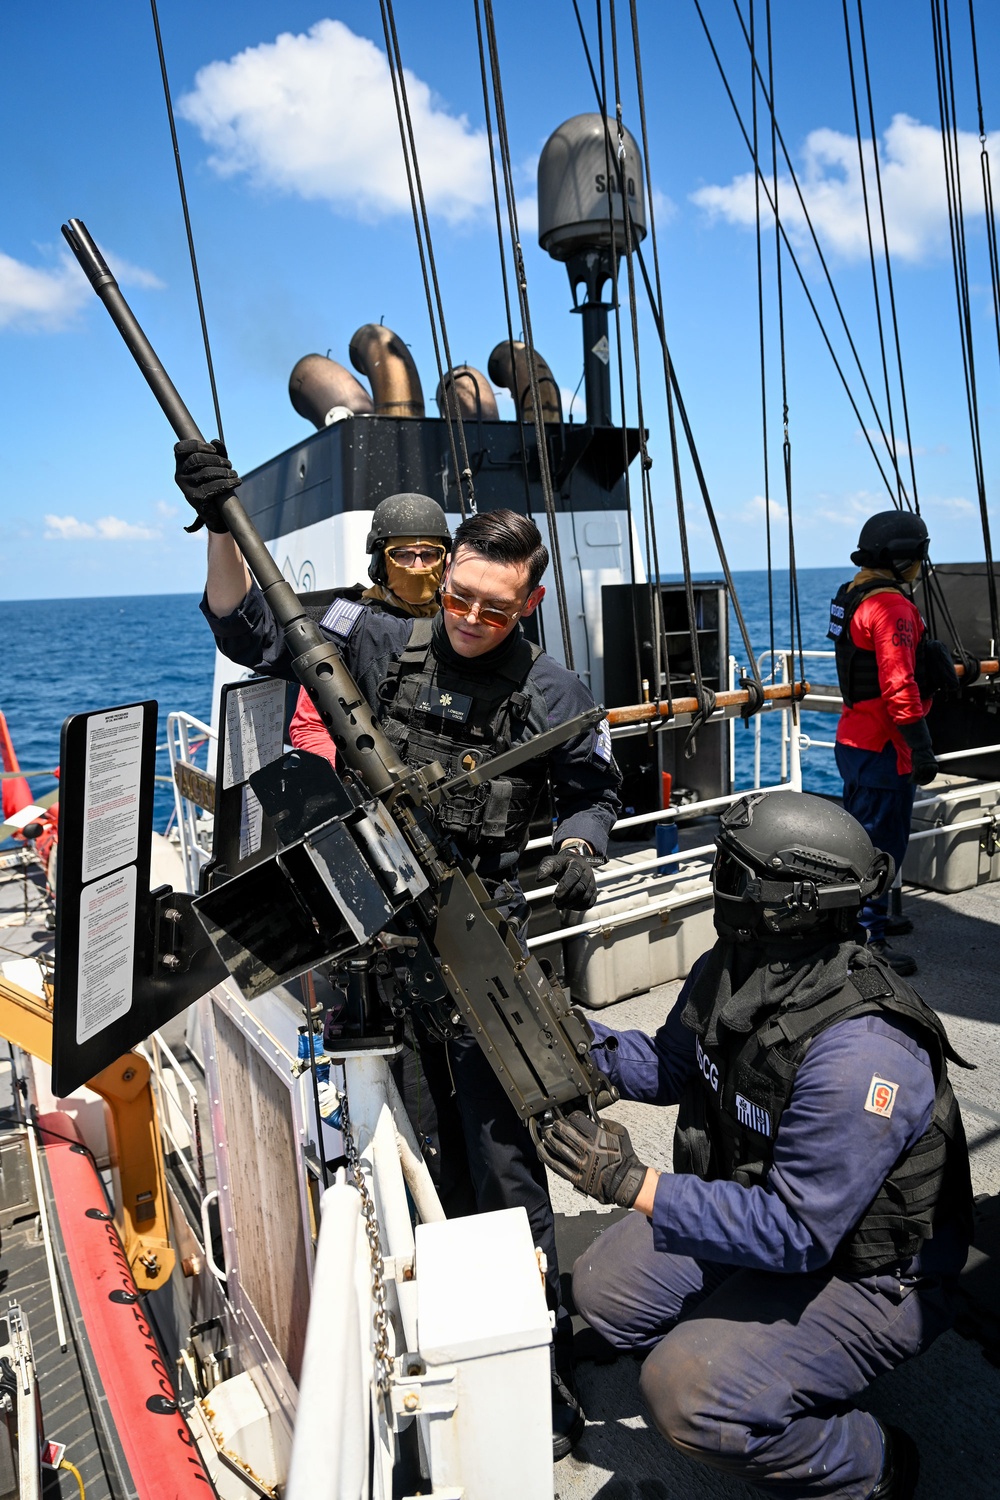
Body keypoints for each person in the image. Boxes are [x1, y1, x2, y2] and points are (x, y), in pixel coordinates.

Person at [174, 439, 622, 1458]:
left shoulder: (548, 692)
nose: (466, 618)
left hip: (485, 959)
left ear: (532, 604)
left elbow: (595, 785)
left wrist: (583, 848)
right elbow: (248, 632)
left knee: (504, 1172)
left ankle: (535, 1368)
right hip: (375, 953)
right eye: (457, 594)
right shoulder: (375, 640)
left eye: (493, 610)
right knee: (403, 1159)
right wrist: (218, 522)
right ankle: (438, 1358)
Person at [537, 789, 973, 1500]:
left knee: (685, 1392)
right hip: (769, 1213)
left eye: (734, 873)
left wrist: (631, 1183)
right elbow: (676, 1064)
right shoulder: (738, 966)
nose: (718, 884)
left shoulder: (864, 1048)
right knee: (603, 1291)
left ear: (791, 901)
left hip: (867, 1270)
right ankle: (750, 1347)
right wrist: (581, 1045)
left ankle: (873, 1463)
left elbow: (798, 1231)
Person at [827, 511, 941, 976]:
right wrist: (922, 748)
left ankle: (868, 922)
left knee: (861, 839)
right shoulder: (892, 607)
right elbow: (899, 686)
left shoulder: (851, 594)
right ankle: (865, 941)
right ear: (901, 558)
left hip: (852, 741)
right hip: (884, 748)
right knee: (879, 847)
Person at [288, 491, 451, 763]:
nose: (419, 567)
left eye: (429, 555)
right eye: (404, 556)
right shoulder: (350, 628)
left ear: (445, 560)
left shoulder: (456, 623)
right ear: (380, 563)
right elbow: (310, 727)